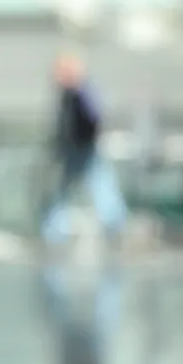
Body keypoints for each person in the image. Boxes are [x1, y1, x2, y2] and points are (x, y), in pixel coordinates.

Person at [40, 55, 128, 246]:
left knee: (98, 186)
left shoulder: (82, 92)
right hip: (74, 148)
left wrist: (82, 139)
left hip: (84, 148)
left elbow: (93, 118)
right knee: (71, 190)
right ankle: (55, 230)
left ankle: (114, 225)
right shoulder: (70, 94)